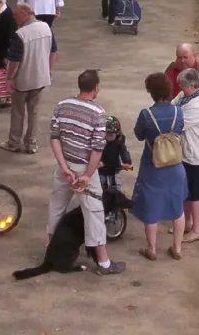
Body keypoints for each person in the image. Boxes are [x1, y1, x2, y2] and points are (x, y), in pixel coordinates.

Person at [46, 70, 124, 275]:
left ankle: (51, 250)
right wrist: (88, 174)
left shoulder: (61, 106)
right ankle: (104, 262)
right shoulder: (98, 114)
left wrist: (64, 168)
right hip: (84, 170)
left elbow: (54, 138)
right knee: (94, 213)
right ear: (96, 88)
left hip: (64, 168)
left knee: (57, 207)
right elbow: (97, 148)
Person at [131, 73, 187, 262]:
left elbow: (139, 135)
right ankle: (177, 248)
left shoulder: (146, 115)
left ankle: (152, 249)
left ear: (151, 92)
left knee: (151, 209)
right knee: (177, 208)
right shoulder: (179, 112)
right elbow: (179, 130)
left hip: (152, 166)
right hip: (175, 166)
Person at [0, 4, 53, 155]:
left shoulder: (20, 34)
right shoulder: (46, 28)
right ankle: (31, 144)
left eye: (16, 15)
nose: (14, 18)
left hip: (23, 80)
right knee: (34, 112)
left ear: (24, 14)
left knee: (17, 112)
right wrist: (49, 70)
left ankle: (14, 143)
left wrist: (9, 78)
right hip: (41, 78)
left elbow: (15, 60)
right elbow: (53, 51)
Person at [173, 68, 199, 242]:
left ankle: (197, 228)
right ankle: (187, 223)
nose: (180, 88)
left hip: (196, 154)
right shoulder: (186, 95)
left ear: (192, 85)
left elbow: (180, 124)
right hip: (186, 153)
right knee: (186, 192)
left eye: (182, 85)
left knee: (196, 194)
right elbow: (173, 105)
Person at [98, 116, 132, 190]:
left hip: (115, 167)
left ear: (117, 132)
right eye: (107, 134)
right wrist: (98, 161)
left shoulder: (120, 140)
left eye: (111, 134)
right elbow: (95, 151)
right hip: (101, 168)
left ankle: (117, 196)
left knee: (116, 185)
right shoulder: (99, 141)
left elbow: (124, 151)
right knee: (102, 184)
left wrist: (127, 161)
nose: (109, 137)